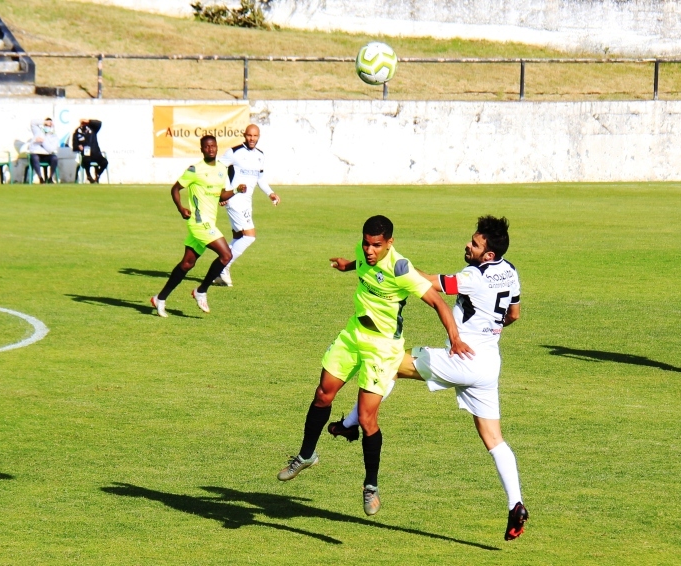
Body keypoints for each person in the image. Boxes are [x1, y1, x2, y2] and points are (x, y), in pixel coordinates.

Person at [329, 216, 530, 540]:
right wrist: (488, 328)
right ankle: (516, 504)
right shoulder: (511, 271)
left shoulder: (473, 277)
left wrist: (393, 264)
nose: (469, 244)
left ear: (488, 254)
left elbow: (430, 284)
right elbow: (514, 315)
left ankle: (351, 424)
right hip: (489, 363)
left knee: (389, 360)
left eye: (475, 244)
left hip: (461, 357)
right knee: (494, 440)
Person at [276, 215, 474, 517]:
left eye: (376, 245)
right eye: (366, 243)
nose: (369, 250)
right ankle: (306, 455)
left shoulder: (401, 269)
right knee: (322, 394)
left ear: (389, 243)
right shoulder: (362, 251)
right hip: (354, 334)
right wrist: (348, 265)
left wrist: (455, 338)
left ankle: (371, 486)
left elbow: (439, 303)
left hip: (383, 348)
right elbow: (363, 262)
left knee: (367, 420)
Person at [151, 135, 244, 316]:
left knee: (187, 264)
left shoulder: (221, 169)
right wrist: (181, 208)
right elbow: (175, 189)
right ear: (202, 149)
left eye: (213, 146)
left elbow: (221, 196)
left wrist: (236, 191)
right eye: (207, 147)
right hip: (199, 222)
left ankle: (159, 298)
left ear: (217, 148)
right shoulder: (195, 170)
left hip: (209, 222)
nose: (211, 149)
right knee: (226, 255)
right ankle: (201, 291)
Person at [212, 124, 280, 287]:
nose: (252, 139)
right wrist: (224, 191)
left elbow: (260, 178)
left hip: (246, 201)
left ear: (258, 137)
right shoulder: (234, 152)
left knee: (238, 237)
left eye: (255, 136)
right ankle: (223, 267)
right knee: (249, 236)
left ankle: (219, 270)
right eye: (249, 135)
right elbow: (218, 168)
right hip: (235, 199)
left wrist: (270, 193)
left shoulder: (260, 156)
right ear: (244, 135)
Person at [71, 119, 108, 183]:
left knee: (105, 162)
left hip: (96, 153)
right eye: (82, 123)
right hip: (86, 154)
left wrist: (89, 121)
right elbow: (74, 146)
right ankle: (89, 176)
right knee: (86, 160)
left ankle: (98, 175)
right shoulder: (77, 132)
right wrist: (78, 147)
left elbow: (99, 123)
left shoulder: (93, 129)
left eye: (85, 123)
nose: (84, 125)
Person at [28, 118, 60, 184]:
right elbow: (33, 122)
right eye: (46, 125)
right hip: (36, 153)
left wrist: (43, 141)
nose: (47, 127)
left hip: (47, 155)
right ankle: (40, 178)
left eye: (49, 125)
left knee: (55, 158)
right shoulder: (38, 132)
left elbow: (51, 149)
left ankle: (50, 177)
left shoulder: (54, 136)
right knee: (34, 157)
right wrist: (44, 122)